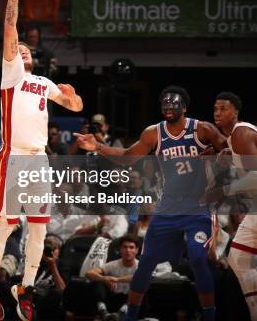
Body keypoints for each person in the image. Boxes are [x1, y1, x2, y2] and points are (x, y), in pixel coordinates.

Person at [0, 0, 83, 321]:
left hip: (40, 159)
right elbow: (10, 29)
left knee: (39, 230)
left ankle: (24, 288)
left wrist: (71, 97)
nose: (21, 51)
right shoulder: (12, 76)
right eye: (17, 50)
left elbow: (75, 103)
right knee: (6, 224)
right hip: (14, 157)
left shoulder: (42, 83)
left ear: (33, 59)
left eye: (25, 51)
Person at [74, 85, 228, 321]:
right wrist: (97, 146)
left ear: (184, 108)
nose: (168, 107)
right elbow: (127, 157)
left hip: (198, 207)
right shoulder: (153, 133)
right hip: (167, 208)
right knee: (146, 263)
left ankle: (210, 315)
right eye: (165, 104)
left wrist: (213, 161)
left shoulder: (202, 129)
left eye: (174, 104)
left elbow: (230, 152)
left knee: (197, 258)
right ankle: (130, 316)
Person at [208, 91, 257, 320]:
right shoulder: (231, 141)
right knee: (237, 259)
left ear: (236, 112)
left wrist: (224, 191)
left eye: (223, 108)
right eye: (216, 108)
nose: (218, 112)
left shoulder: (241, 132)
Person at [86, 234, 140, 320]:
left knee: (142, 285)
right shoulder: (113, 264)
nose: (128, 250)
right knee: (98, 281)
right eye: (125, 247)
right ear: (120, 250)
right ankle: (103, 311)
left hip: (131, 301)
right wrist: (104, 279)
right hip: (113, 299)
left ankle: (122, 312)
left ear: (136, 250)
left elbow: (140, 277)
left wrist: (117, 279)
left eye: (131, 247)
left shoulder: (140, 266)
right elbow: (89, 273)